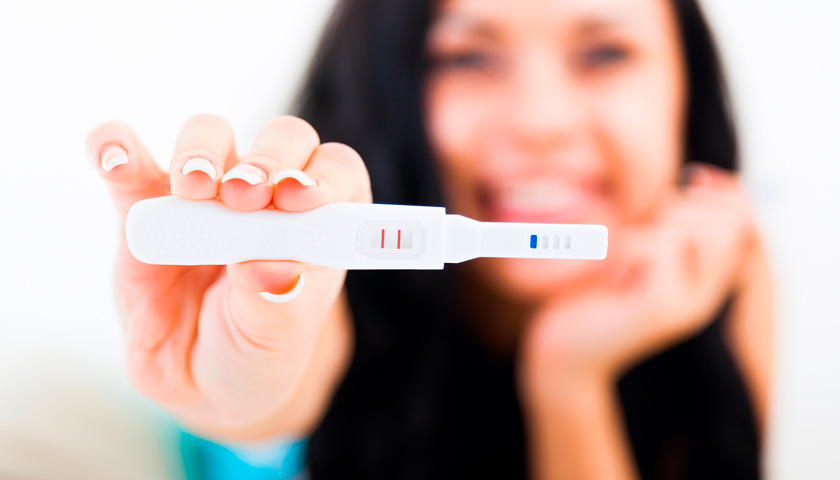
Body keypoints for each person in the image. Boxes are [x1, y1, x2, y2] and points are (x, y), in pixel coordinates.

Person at [84, 0, 773, 477]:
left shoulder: (713, 267)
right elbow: (275, 388)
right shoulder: (321, 287)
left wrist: (569, 379)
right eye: (467, 57)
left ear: (688, 85)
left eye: (605, 53)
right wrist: (248, 375)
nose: (541, 120)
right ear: (385, 88)